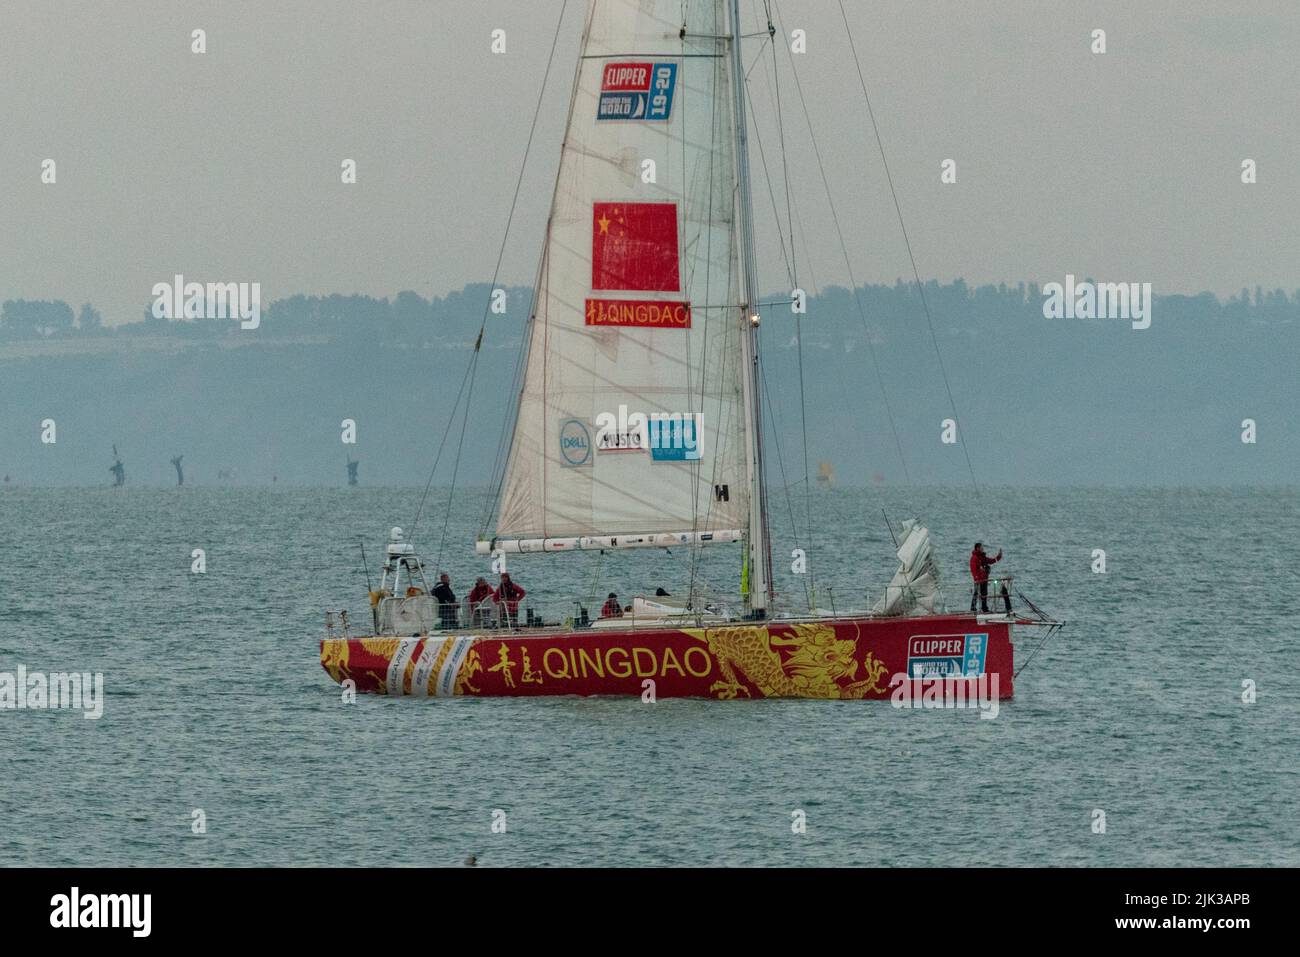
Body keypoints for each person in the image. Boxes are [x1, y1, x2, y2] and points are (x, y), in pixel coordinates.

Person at [969, 542, 1010, 614]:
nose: (983, 548)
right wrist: (977, 578)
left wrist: (998, 557)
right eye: (981, 547)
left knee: (984, 594)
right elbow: (973, 569)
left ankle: (984, 608)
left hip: (984, 579)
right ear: (977, 548)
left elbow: (991, 561)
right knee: (976, 593)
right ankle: (973, 608)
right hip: (978, 580)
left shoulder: (983, 557)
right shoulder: (974, 558)